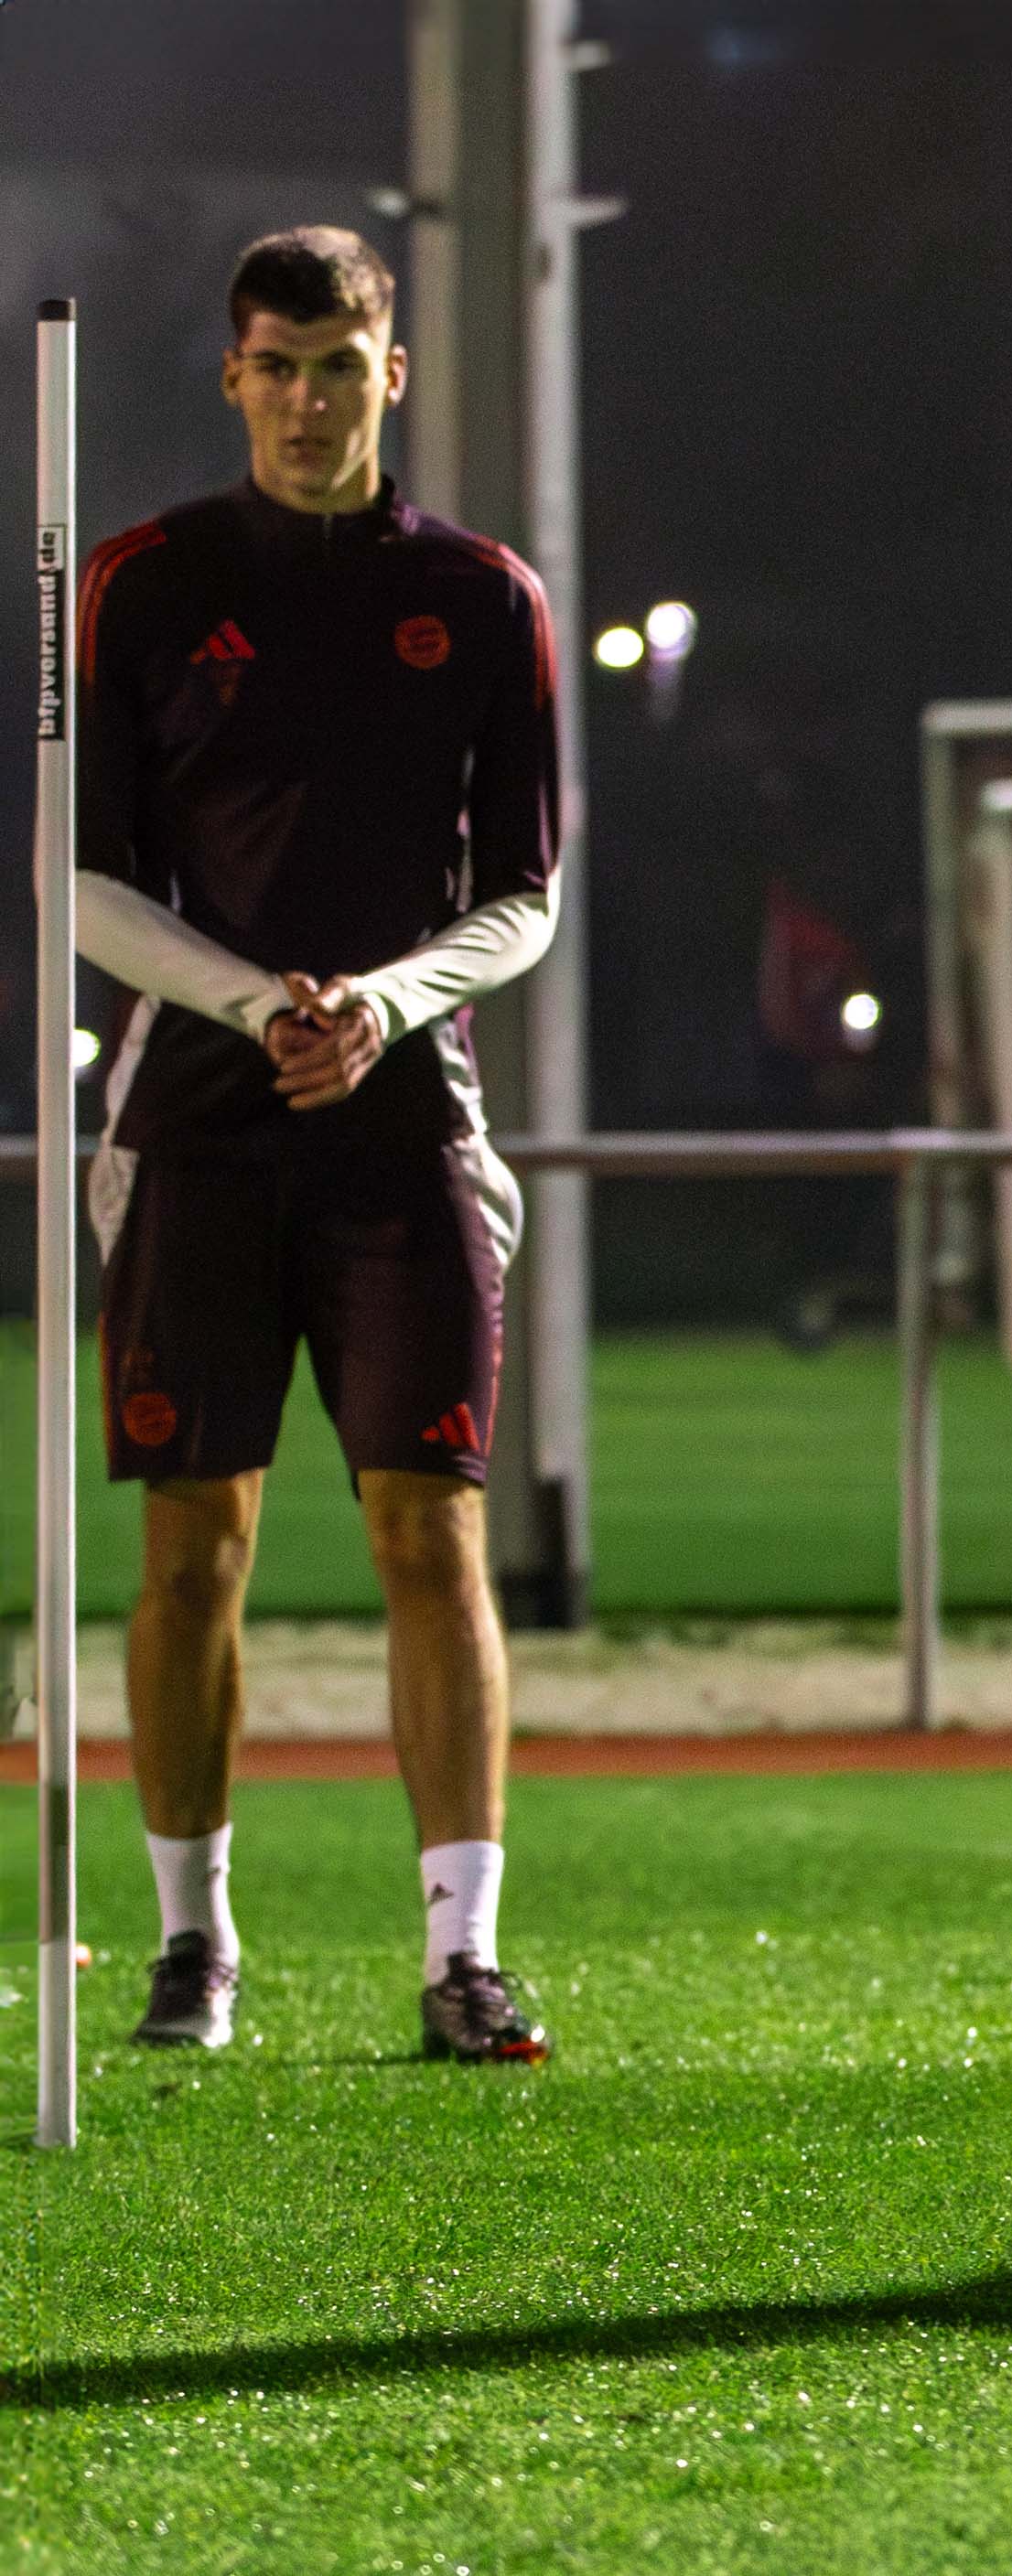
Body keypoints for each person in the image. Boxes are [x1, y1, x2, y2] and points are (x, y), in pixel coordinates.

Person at [73, 229, 563, 2061]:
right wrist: (247, 1001)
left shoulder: (485, 596)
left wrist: (378, 997)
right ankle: (193, 1944)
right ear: (233, 376)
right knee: (193, 1534)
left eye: (338, 365)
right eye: (276, 366)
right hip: (195, 1116)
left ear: (394, 374)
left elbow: (525, 897)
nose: (305, 398)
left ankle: (462, 1954)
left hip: (404, 1109)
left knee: (428, 1525)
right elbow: (83, 880)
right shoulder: (139, 581)